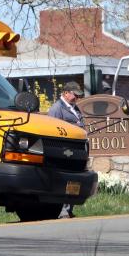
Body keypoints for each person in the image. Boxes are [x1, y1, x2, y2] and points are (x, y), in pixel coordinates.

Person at [47, 81, 87, 217]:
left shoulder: (74, 108)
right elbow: (51, 131)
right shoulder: (56, 109)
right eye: (75, 95)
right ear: (65, 93)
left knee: (75, 181)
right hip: (64, 152)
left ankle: (69, 209)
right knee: (65, 181)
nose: (77, 98)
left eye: (78, 96)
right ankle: (62, 211)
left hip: (76, 152)